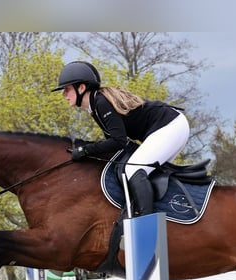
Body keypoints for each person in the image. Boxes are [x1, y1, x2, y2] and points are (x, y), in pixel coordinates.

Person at [53, 60, 190, 217]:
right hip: (170, 126)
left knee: (133, 169)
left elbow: (119, 141)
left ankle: (145, 223)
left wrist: (85, 150)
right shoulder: (96, 105)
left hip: (170, 126)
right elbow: (117, 144)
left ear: (81, 88)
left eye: (67, 89)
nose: (64, 94)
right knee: (143, 172)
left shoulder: (100, 103)